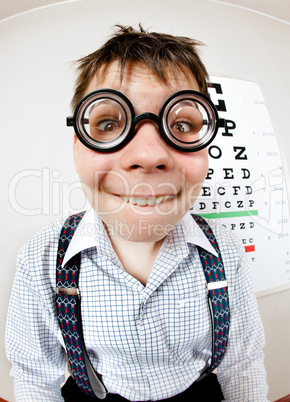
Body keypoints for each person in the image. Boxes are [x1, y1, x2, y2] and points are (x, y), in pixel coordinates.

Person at [6, 25, 268, 401]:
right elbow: (35, 378)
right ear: (78, 144)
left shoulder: (226, 251)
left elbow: (242, 363)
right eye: (109, 124)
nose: (149, 156)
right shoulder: (40, 259)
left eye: (181, 125)